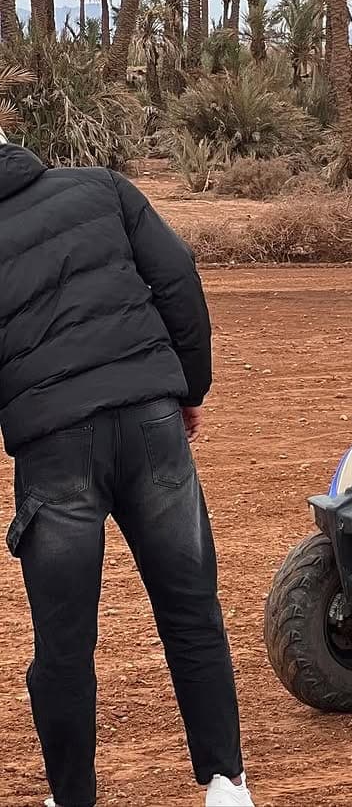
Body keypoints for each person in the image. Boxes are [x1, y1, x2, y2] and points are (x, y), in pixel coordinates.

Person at [0, 140, 254, 807]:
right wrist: (188, 387)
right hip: (151, 427)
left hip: (54, 449)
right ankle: (227, 784)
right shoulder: (103, 188)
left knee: (64, 643)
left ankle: (72, 799)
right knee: (191, 610)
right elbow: (177, 277)